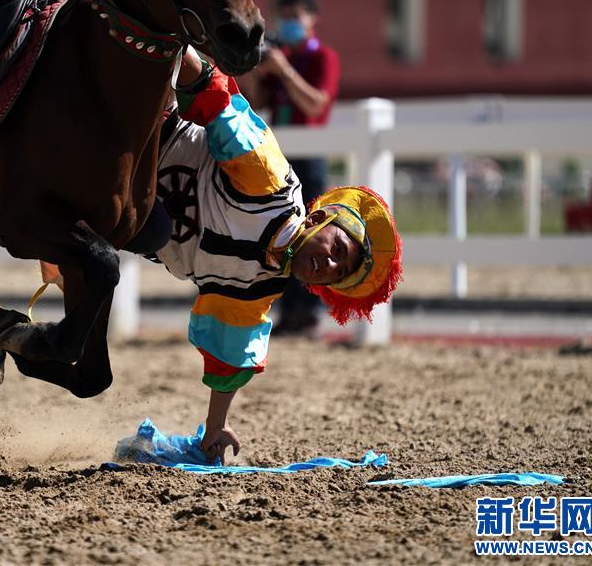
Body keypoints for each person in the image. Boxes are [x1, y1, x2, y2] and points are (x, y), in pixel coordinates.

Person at [131, 48, 400, 463]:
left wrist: (216, 427)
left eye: (338, 273)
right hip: (143, 128)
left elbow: (230, 352)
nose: (329, 264)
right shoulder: (267, 180)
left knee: (143, 234)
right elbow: (217, 97)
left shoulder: (258, 290)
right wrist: (172, 43)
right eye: (337, 250)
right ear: (323, 217)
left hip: (119, 217)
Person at [239, 0, 341, 338]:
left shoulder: (322, 57)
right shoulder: (281, 58)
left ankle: (310, 312)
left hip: (309, 155)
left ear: (314, 21)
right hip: (279, 155)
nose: (290, 24)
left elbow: (315, 105)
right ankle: (287, 313)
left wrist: (284, 70)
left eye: (297, 16)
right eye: (285, 17)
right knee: (279, 234)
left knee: (312, 234)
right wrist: (252, 67)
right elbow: (257, 102)